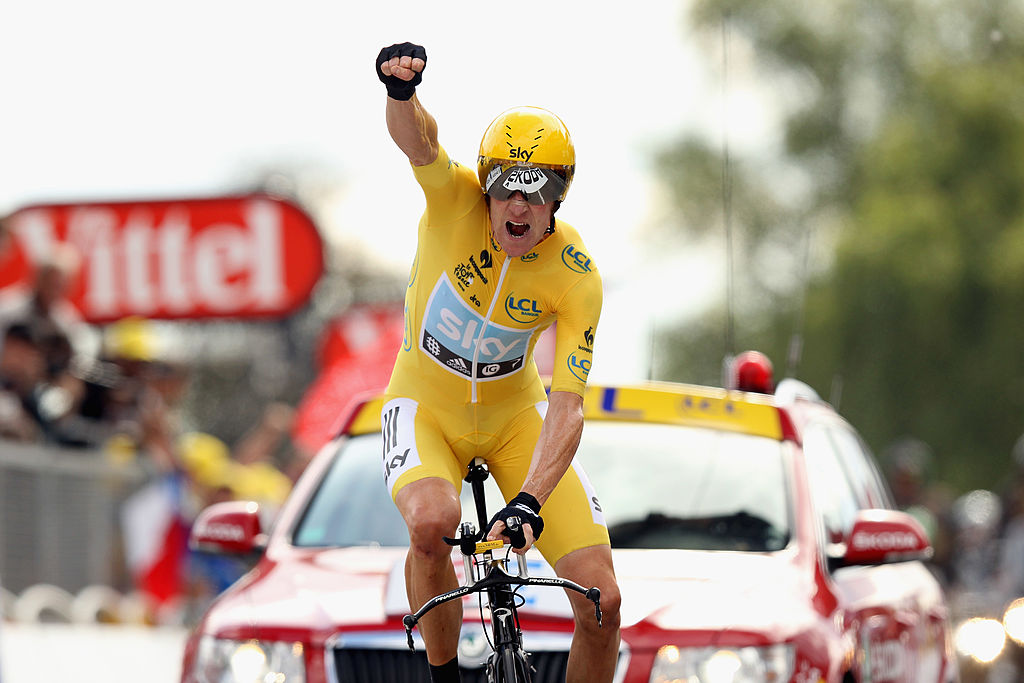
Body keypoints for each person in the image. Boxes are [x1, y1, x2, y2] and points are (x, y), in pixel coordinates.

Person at [374, 43, 620, 683]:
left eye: (537, 191)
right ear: (485, 184)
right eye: (507, 185)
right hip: (427, 405)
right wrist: (403, 94)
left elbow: (567, 407)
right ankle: (444, 677)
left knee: (603, 601)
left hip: (515, 417)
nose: (518, 205)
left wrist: (531, 500)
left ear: (559, 198)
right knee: (433, 523)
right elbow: (418, 140)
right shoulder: (453, 200)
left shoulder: (576, 274)